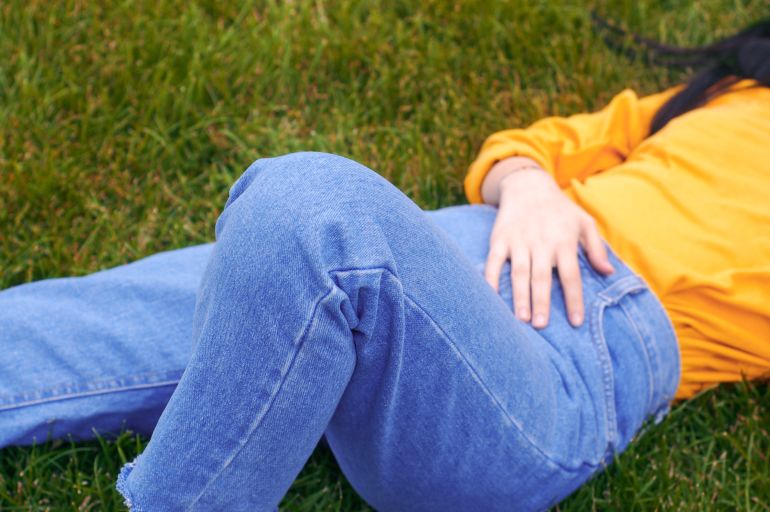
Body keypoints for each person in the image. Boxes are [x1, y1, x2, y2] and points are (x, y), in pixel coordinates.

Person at [0, 18, 768, 512]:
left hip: (582, 349)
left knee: (306, 210)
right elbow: (539, 144)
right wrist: (532, 188)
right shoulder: (735, 95)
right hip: (462, 247)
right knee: (206, 278)